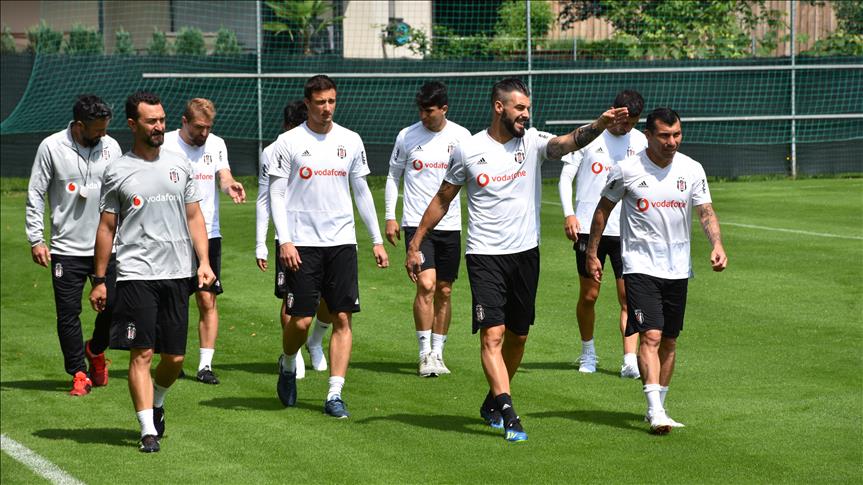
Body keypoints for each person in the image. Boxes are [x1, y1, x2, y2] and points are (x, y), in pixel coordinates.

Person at [406, 78, 628, 442]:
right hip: (484, 255)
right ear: (499, 107)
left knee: (518, 337)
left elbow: (567, 143)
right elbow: (443, 198)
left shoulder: (533, 141)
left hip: (526, 254)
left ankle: (492, 400)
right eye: (520, 108)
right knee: (492, 334)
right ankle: (509, 412)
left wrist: (599, 125)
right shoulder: (468, 149)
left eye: (528, 108)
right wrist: (416, 241)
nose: (526, 114)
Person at [586, 107, 727, 435]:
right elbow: (602, 210)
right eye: (664, 135)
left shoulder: (692, 168)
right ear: (648, 135)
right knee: (650, 334)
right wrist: (592, 252)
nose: (672, 142)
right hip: (639, 266)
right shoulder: (627, 170)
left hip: (678, 268)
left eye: (676, 134)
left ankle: (660, 406)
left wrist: (717, 245)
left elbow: (705, 211)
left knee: (670, 341)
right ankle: (654, 410)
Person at [89, 91, 216, 452]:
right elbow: (106, 228)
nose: (159, 126)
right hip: (135, 274)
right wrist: (100, 280)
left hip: (177, 273)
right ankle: (147, 430)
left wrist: (204, 262)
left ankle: (157, 401)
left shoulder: (179, 164)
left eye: (161, 120)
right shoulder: (117, 171)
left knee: (174, 358)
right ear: (133, 124)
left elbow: (194, 216)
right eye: (151, 121)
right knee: (141, 353)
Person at [268, 75, 389, 419]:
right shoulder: (288, 142)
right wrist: (284, 239)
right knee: (301, 321)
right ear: (308, 103)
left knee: (342, 317)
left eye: (331, 101)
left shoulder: (350, 140)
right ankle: (288, 362)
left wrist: (376, 240)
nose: (326, 108)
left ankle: (334, 393)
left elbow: (361, 191)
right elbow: (276, 193)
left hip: (342, 242)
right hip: (302, 244)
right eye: (320, 102)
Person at [25, 94, 123, 396]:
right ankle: (79, 372)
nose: (103, 134)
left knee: (115, 308)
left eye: (106, 128)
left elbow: (122, 192)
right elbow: (36, 192)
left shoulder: (112, 147)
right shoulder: (51, 147)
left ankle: (96, 349)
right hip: (66, 249)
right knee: (68, 314)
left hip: (107, 247)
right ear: (80, 125)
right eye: (98, 129)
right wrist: (36, 238)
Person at [384, 81, 471, 377]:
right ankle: (423, 354)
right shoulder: (406, 136)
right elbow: (393, 176)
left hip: (450, 225)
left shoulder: (462, 137)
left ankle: (438, 353)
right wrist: (390, 216)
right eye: (420, 110)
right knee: (427, 285)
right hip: (415, 224)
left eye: (429, 111)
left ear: (444, 109)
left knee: (444, 290)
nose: (423, 116)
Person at [558, 90, 647, 378]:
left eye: (633, 122)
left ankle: (630, 360)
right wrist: (569, 213)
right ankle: (588, 352)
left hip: (627, 231)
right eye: (623, 120)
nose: (627, 127)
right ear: (613, 111)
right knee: (589, 295)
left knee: (628, 296)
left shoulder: (641, 142)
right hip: (587, 228)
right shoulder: (589, 135)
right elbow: (566, 177)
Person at [163, 98, 246, 385]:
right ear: (184, 122)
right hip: (171, 235)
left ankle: (205, 366)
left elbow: (223, 175)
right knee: (172, 302)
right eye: (199, 127)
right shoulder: (165, 144)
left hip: (208, 234)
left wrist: (230, 185)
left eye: (209, 127)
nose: (204, 133)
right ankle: (172, 358)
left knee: (206, 298)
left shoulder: (217, 144)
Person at [255, 100, 333, 378]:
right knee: (290, 299)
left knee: (329, 300)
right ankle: (294, 353)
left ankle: (315, 341)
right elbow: (264, 198)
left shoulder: (328, 144)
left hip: (327, 237)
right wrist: (261, 243)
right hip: (289, 238)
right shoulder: (272, 151)